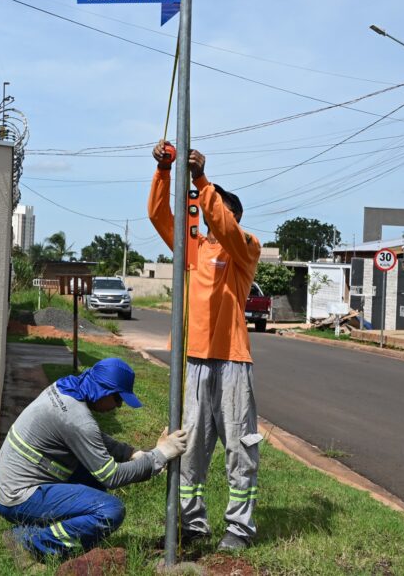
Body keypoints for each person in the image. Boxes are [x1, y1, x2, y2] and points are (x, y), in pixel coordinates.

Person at [148, 142, 262, 552]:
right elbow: (159, 215)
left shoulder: (245, 247)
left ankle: (240, 529)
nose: (208, 214)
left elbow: (225, 227)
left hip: (232, 360)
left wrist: (201, 180)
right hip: (193, 361)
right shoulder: (193, 250)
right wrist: (164, 171)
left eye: (216, 208)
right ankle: (193, 525)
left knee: (239, 447)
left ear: (231, 215)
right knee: (190, 447)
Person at [0, 357, 188, 564]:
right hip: (17, 497)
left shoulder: (66, 388)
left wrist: (131, 453)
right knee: (109, 511)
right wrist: (160, 455)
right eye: (117, 398)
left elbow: (91, 438)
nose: (119, 405)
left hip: (12, 483)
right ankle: (29, 543)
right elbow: (111, 476)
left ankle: (37, 530)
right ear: (104, 391)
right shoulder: (77, 419)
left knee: (94, 478)